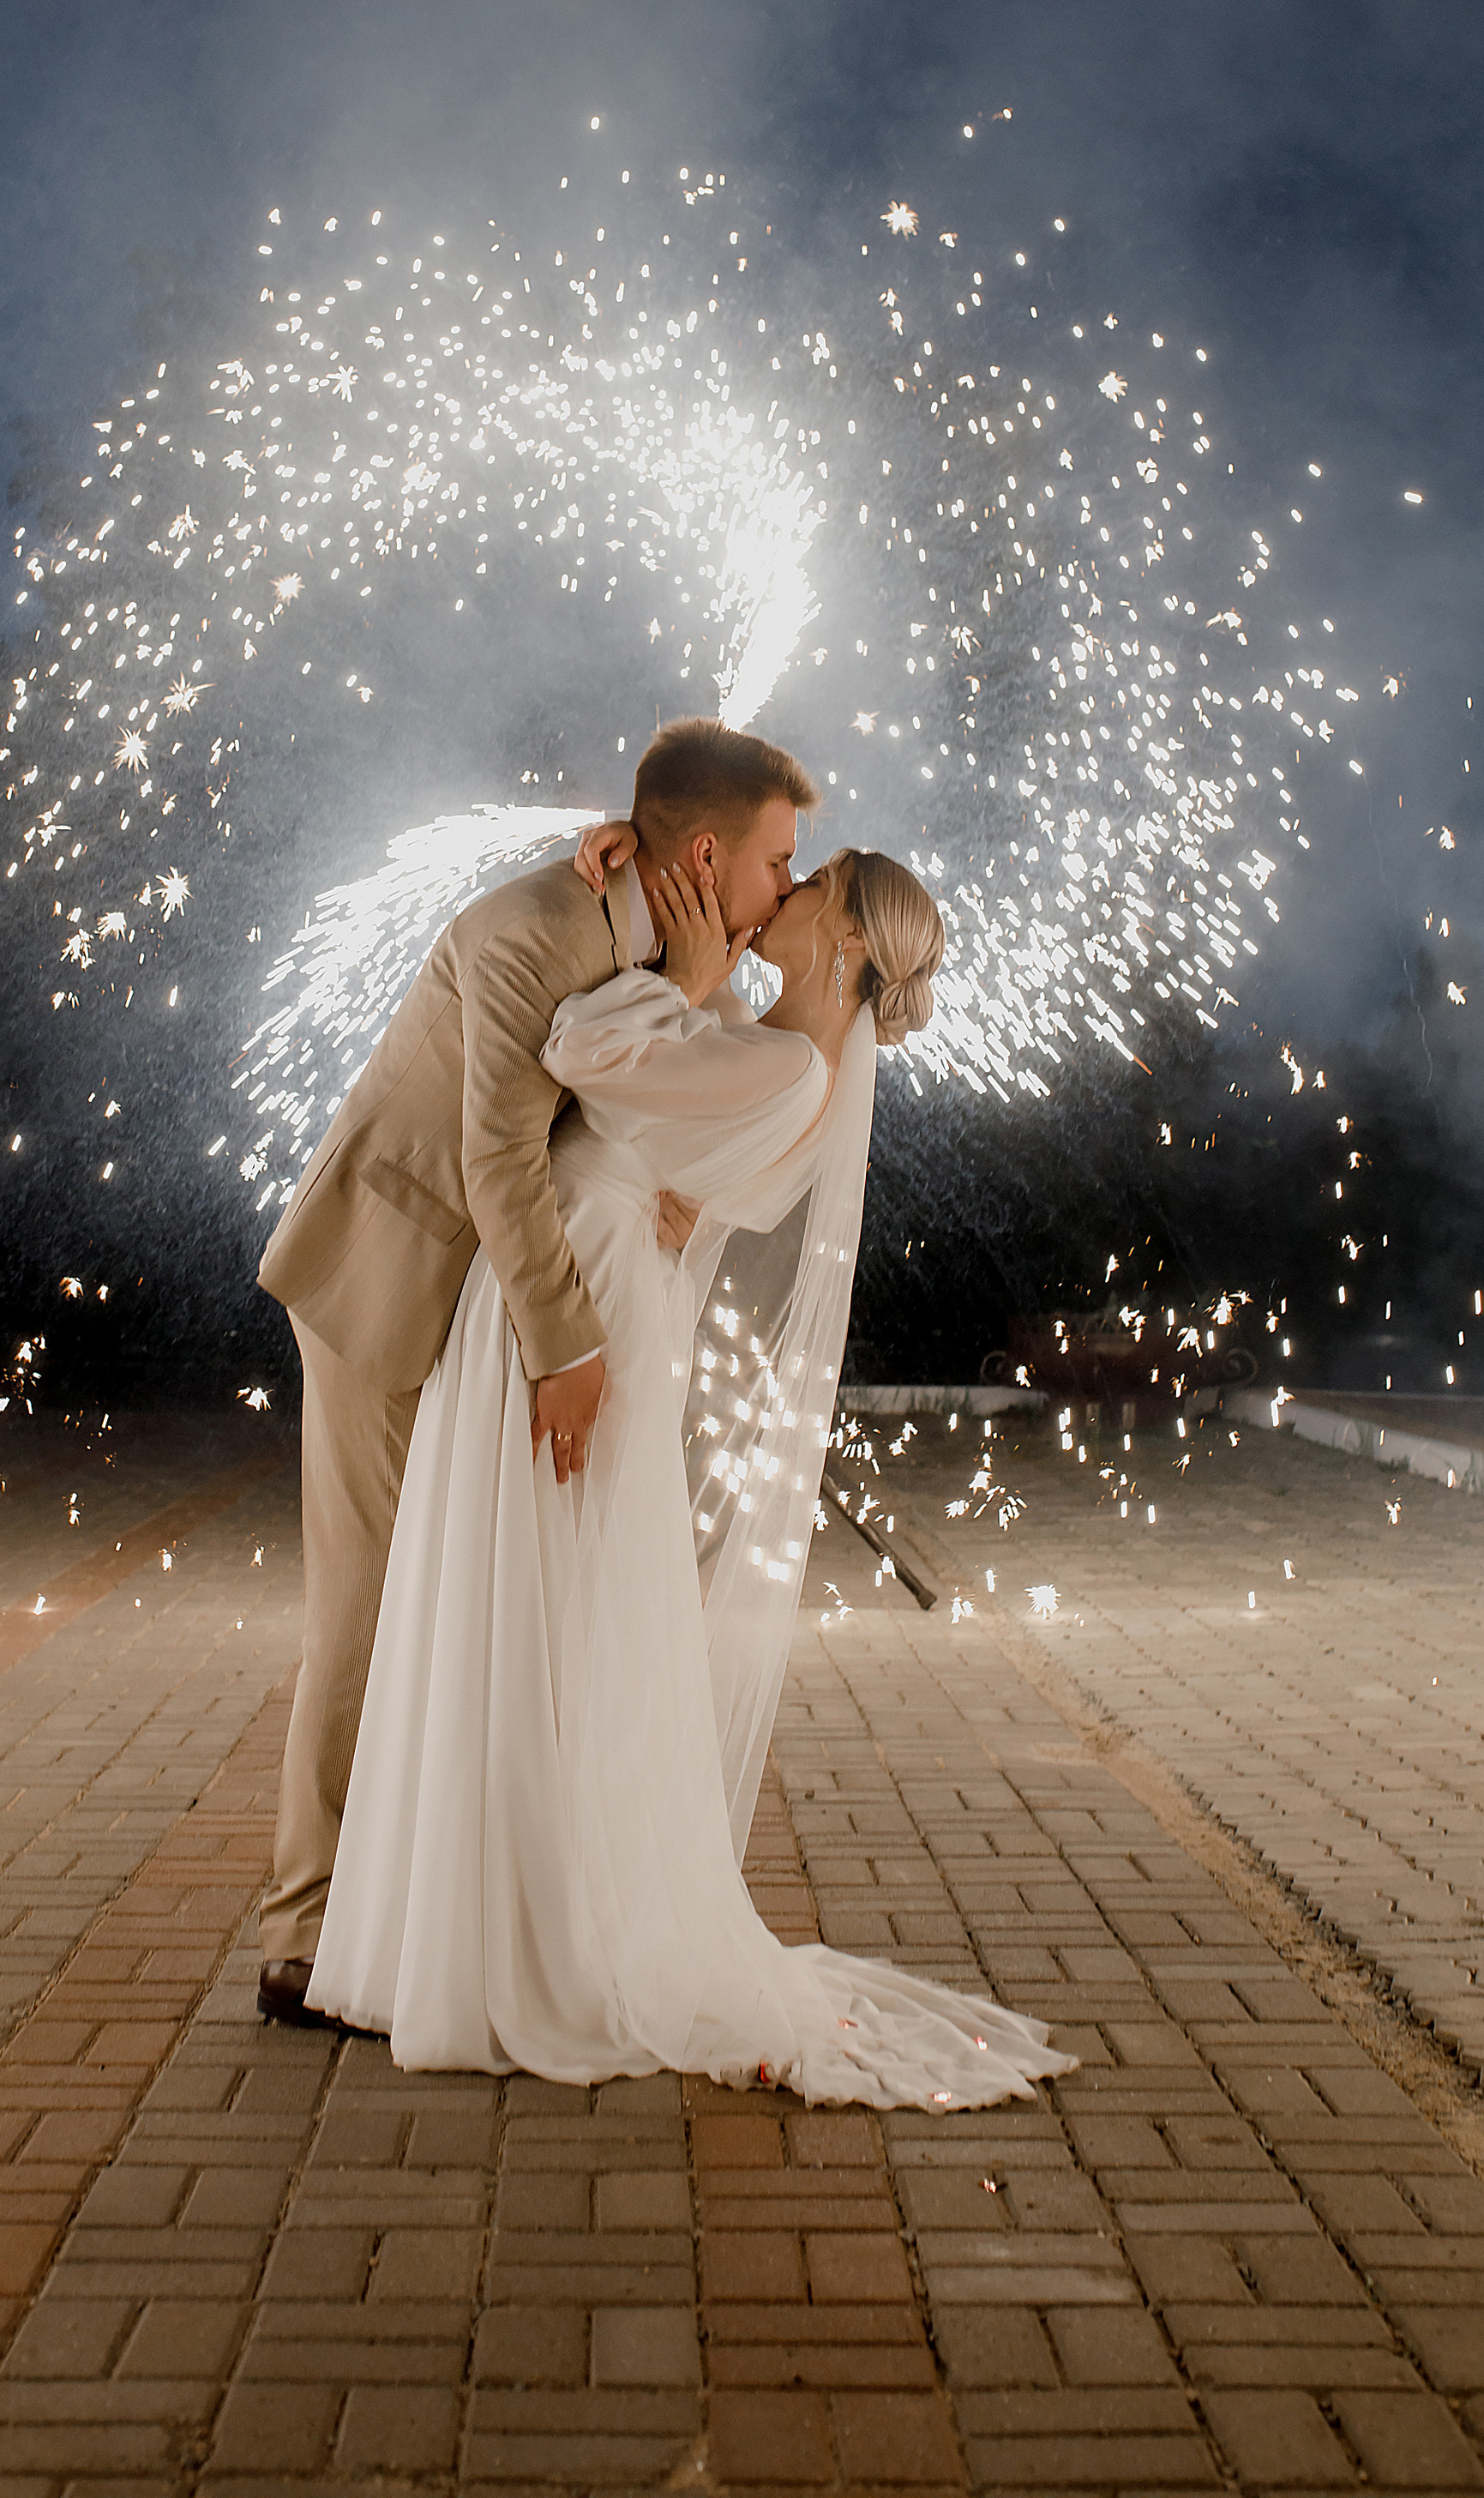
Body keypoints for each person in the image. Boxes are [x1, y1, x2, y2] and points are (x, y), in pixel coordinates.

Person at [308, 840, 1074, 2109]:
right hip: (596, 1284)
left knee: (536, 1600)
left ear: (846, 942)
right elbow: (670, 1153)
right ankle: (492, 1927)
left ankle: (502, 1944)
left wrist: (692, 969)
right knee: (549, 1607)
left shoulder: (780, 1062)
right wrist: (701, 999)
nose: (784, 892)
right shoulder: (793, 1066)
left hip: (582, 1310)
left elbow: (582, 1051)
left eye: (809, 885)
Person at [252, 717, 818, 2025]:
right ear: (709, 850)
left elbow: (681, 1071)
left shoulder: (680, 937)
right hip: (392, 1278)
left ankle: (438, 1908)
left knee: (468, 1608)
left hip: (493, 1310)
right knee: (371, 1600)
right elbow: (499, 1157)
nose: (787, 889)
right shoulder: (527, 934)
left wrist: (696, 981)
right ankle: (306, 1931)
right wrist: (567, 1348)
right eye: (780, 861)